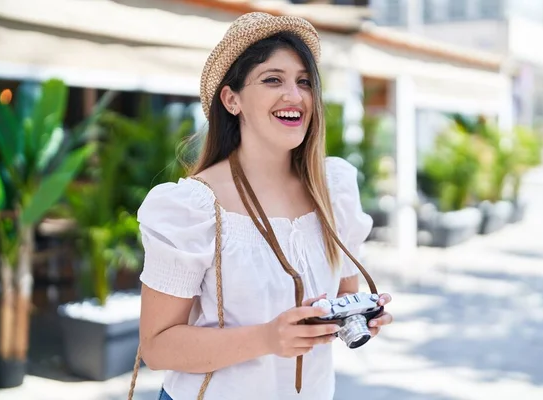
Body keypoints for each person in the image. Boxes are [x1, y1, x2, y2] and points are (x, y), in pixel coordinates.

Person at [137, 12, 393, 400]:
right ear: (232, 99)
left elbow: (340, 294)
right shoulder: (192, 207)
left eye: (304, 82)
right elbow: (157, 347)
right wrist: (268, 338)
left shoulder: (333, 188)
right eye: (273, 79)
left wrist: (353, 316)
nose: (295, 96)